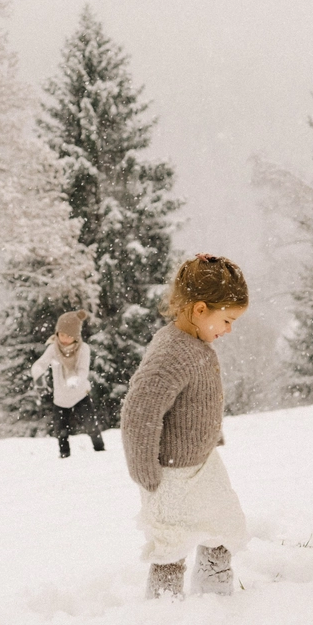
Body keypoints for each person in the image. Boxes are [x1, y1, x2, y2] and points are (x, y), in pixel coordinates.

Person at [120, 255, 251, 599]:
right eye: (226, 320)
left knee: (223, 524)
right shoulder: (171, 353)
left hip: (202, 464)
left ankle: (215, 592)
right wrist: (143, 468)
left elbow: (196, 401)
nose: (229, 330)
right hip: (170, 473)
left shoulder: (196, 344)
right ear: (200, 309)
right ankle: (165, 609)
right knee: (171, 541)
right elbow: (139, 411)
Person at [29, 309, 105, 458]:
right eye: (61, 335)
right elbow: (40, 364)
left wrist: (75, 380)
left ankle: (100, 451)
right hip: (61, 398)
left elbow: (83, 371)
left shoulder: (83, 349)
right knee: (61, 431)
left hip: (80, 395)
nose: (64, 339)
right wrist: (38, 377)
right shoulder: (53, 349)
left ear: (76, 336)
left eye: (68, 336)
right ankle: (64, 456)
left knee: (91, 426)